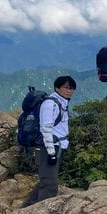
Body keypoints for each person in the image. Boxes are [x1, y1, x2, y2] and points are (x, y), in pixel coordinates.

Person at [23, 76, 76, 206]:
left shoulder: (62, 103)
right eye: (66, 87)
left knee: (46, 182)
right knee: (50, 186)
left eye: (72, 88)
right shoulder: (50, 104)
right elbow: (45, 128)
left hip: (58, 147)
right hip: (47, 148)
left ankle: (26, 210)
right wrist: (51, 153)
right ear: (57, 88)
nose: (69, 91)